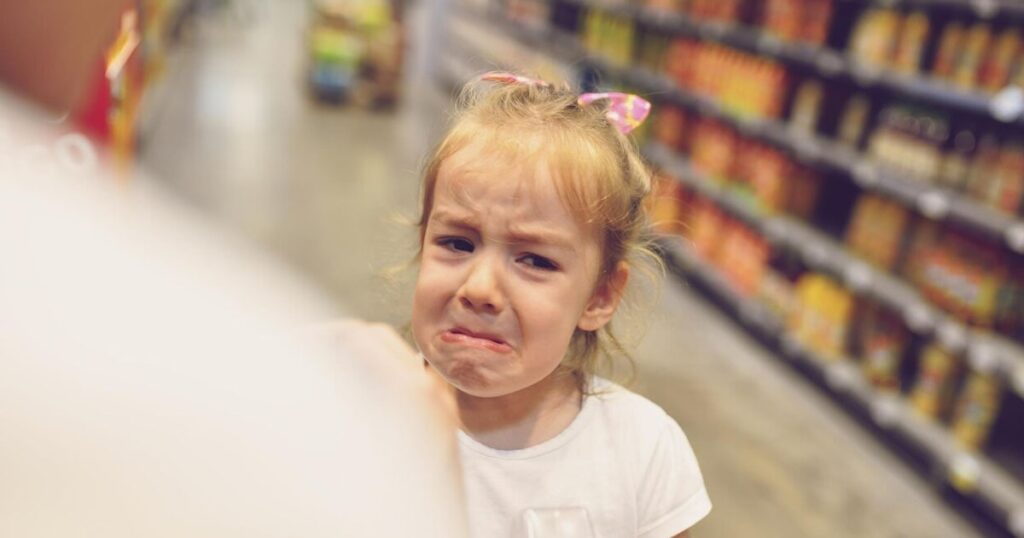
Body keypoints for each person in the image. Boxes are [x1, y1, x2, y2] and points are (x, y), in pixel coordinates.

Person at [410, 72, 712, 537]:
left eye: (534, 259)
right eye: (457, 243)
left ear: (600, 296)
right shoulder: (360, 418)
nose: (480, 288)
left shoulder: (642, 452)